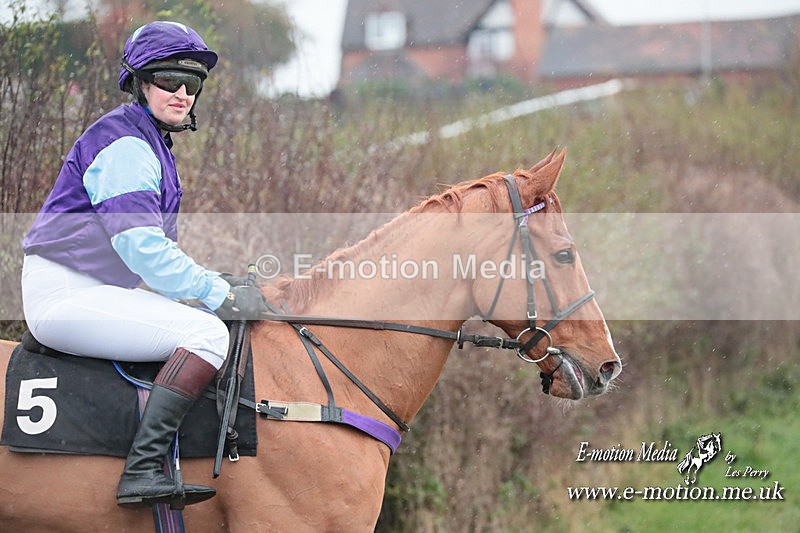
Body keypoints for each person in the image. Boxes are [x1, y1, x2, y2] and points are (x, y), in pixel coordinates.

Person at [20, 21, 267, 509]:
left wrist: (215, 284)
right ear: (139, 82)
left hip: (92, 288)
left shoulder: (149, 141)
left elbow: (151, 260)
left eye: (191, 84)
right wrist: (219, 293)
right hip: (67, 293)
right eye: (168, 79)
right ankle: (142, 469)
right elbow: (142, 250)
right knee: (209, 335)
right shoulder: (127, 145)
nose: (181, 93)